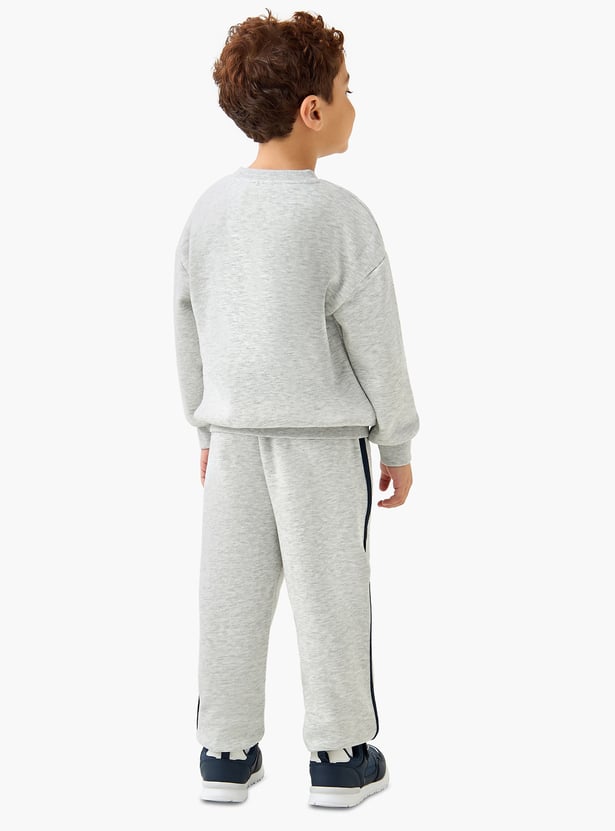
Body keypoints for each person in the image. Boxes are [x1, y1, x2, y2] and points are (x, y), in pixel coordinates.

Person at [173, 9, 420, 808]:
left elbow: (189, 324)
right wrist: (395, 442)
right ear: (312, 109)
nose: (353, 104)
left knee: (229, 596)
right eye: (346, 90)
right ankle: (340, 757)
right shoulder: (338, 216)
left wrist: (204, 424)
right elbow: (377, 340)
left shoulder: (208, 210)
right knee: (330, 596)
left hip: (233, 440)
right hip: (320, 446)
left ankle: (223, 751)